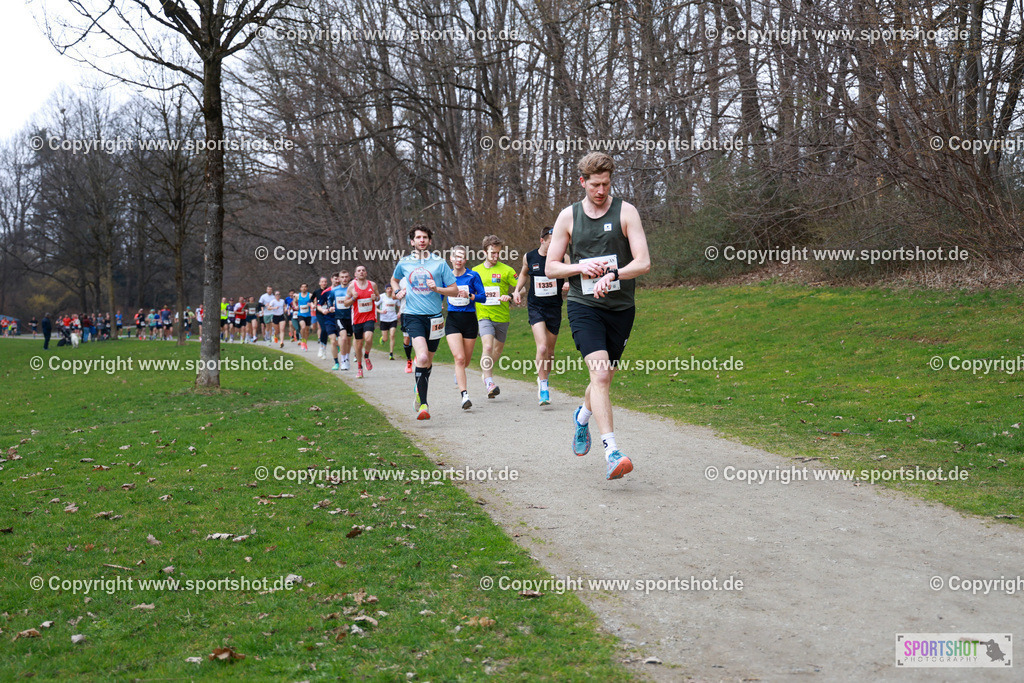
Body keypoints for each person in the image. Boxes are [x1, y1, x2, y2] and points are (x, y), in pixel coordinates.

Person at [545, 152, 651, 480]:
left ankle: (582, 417)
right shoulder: (569, 217)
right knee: (601, 376)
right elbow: (551, 266)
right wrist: (579, 266)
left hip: (621, 309)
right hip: (583, 305)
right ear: (582, 182)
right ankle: (612, 452)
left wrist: (614, 274)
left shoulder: (626, 212)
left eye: (606, 184)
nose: (601, 190)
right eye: (594, 185)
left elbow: (643, 262)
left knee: (602, 379)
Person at [390, 226, 459, 420]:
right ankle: (423, 405)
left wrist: (437, 288)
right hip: (412, 315)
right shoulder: (404, 263)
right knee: (421, 358)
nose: (421, 240)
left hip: (435, 318)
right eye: (418, 237)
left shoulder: (439, 263)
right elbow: (394, 280)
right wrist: (397, 292)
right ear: (412, 241)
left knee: (427, 361)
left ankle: (419, 387)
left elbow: (454, 291)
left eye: (425, 237)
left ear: (429, 241)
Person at [514, 226, 569, 406]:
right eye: (551, 243)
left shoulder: (563, 257)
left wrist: (567, 283)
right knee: (543, 348)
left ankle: (544, 377)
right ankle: (543, 387)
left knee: (551, 352)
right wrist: (516, 290)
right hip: (536, 306)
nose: (554, 247)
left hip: (554, 307)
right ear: (542, 241)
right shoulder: (529, 257)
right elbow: (523, 273)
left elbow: (570, 275)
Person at [472, 234, 518, 399]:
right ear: (484, 251)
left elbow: (520, 288)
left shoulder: (507, 270)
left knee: (496, 351)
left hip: (502, 317)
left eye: (498, 253)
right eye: (492, 253)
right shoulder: (475, 272)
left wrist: (511, 296)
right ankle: (489, 382)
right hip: (484, 316)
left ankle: (485, 373)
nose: (495, 256)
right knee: (488, 347)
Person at [445, 245, 486, 409]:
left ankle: (458, 371)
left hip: (469, 319)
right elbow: (439, 292)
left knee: (465, 361)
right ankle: (465, 396)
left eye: (462, 257)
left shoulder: (472, 275)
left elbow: (482, 297)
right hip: (453, 319)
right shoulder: (446, 276)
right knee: (460, 358)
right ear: (451, 259)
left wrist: (469, 295)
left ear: (465, 260)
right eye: (456, 256)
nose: (458, 260)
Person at [344, 265, 378, 378]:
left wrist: (375, 298)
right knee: (358, 345)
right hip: (357, 319)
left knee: (368, 338)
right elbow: (345, 303)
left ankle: (366, 356)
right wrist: (353, 298)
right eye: (359, 271)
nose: (361, 272)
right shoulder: (351, 287)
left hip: (369, 316)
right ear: (355, 274)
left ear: (366, 273)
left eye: (363, 270)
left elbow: (378, 297)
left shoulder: (372, 285)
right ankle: (359, 367)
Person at [316, 274, 342, 369]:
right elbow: (319, 305)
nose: (337, 280)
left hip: (342, 319)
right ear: (331, 280)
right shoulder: (326, 292)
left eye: (339, 278)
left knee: (341, 341)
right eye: (336, 279)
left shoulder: (345, 290)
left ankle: (343, 359)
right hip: (329, 319)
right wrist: (323, 310)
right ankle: (336, 363)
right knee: (332, 340)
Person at [332, 270, 354, 369]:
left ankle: (347, 358)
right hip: (339, 318)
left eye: (346, 277)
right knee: (343, 338)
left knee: (348, 341)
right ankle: (343, 360)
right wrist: (330, 307)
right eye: (342, 277)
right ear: (339, 278)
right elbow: (329, 300)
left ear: (349, 278)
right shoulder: (334, 290)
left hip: (351, 317)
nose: (344, 279)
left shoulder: (353, 289)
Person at [376, 285, 399, 360]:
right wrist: (381, 311)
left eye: (391, 288)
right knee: (386, 338)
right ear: (385, 290)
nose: (389, 290)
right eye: (388, 289)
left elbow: (400, 306)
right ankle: (383, 339)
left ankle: (391, 353)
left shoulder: (395, 297)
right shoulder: (382, 297)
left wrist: (399, 313)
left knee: (392, 335)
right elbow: (374, 306)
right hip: (384, 319)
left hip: (393, 319)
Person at [295, 284, 313, 350]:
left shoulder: (310, 295)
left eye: (305, 287)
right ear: (300, 288)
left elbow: (314, 301)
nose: (304, 288)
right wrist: (296, 306)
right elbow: (294, 302)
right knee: (303, 327)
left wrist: (311, 304)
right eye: (302, 287)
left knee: (307, 330)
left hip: (308, 315)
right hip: (300, 314)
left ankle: (305, 342)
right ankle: (302, 340)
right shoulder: (297, 296)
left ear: (307, 288)